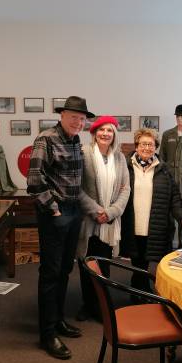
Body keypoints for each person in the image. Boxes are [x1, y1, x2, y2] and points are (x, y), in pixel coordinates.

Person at [27, 95, 94, 360]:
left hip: (74, 210)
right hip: (55, 213)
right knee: (51, 272)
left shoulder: (76, 140)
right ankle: (47, 334)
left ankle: (57, 321)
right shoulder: (46, 139)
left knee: (66, 270)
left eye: (82, 118)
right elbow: (34, 180)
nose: (79, 122)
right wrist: (53, 208)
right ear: (62, 116)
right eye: (74, 117)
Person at [120, 128, 182, 293]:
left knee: (151, 263)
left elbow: (175, 199)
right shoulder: (126, 168)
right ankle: (139, 293)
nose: (147, 148)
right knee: (137, 263)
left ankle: (142, 293)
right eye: (143, 144)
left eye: (151, 144)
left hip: (156, 227)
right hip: (132, 226)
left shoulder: (164, 170)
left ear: (156, 147)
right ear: (136, 146)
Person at [76, 116, 130, 321]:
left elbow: (126, 188)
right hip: (90, 220)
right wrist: (97, 211)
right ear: (94, 133)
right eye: (101, 130)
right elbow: (78, 188)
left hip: (109, 221)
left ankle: (101, 305)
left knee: (104, 264)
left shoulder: (119, 157)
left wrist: (111, 212)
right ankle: (87, 304)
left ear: (114, 134)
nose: (105, 134)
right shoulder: (84, 154)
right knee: (87, 263)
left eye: (110, 130)